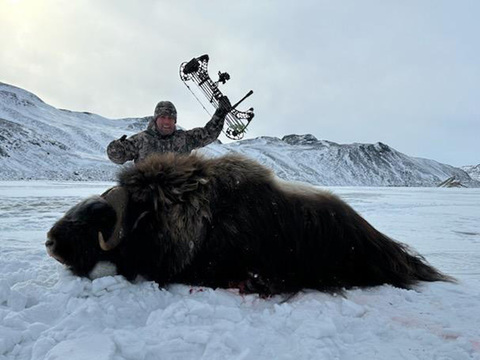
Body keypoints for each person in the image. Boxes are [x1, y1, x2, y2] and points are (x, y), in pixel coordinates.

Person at [107, 97, 231, 164]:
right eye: (163, 117)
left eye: (170, 118)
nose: (167, 122)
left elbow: (209, 133)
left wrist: (221, 113)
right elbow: (119, 157)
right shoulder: (141, 140)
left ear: (175, 121)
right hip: (148, 194)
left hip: (179, 194)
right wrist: (115, 149)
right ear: (156, 119)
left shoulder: (185, 139)